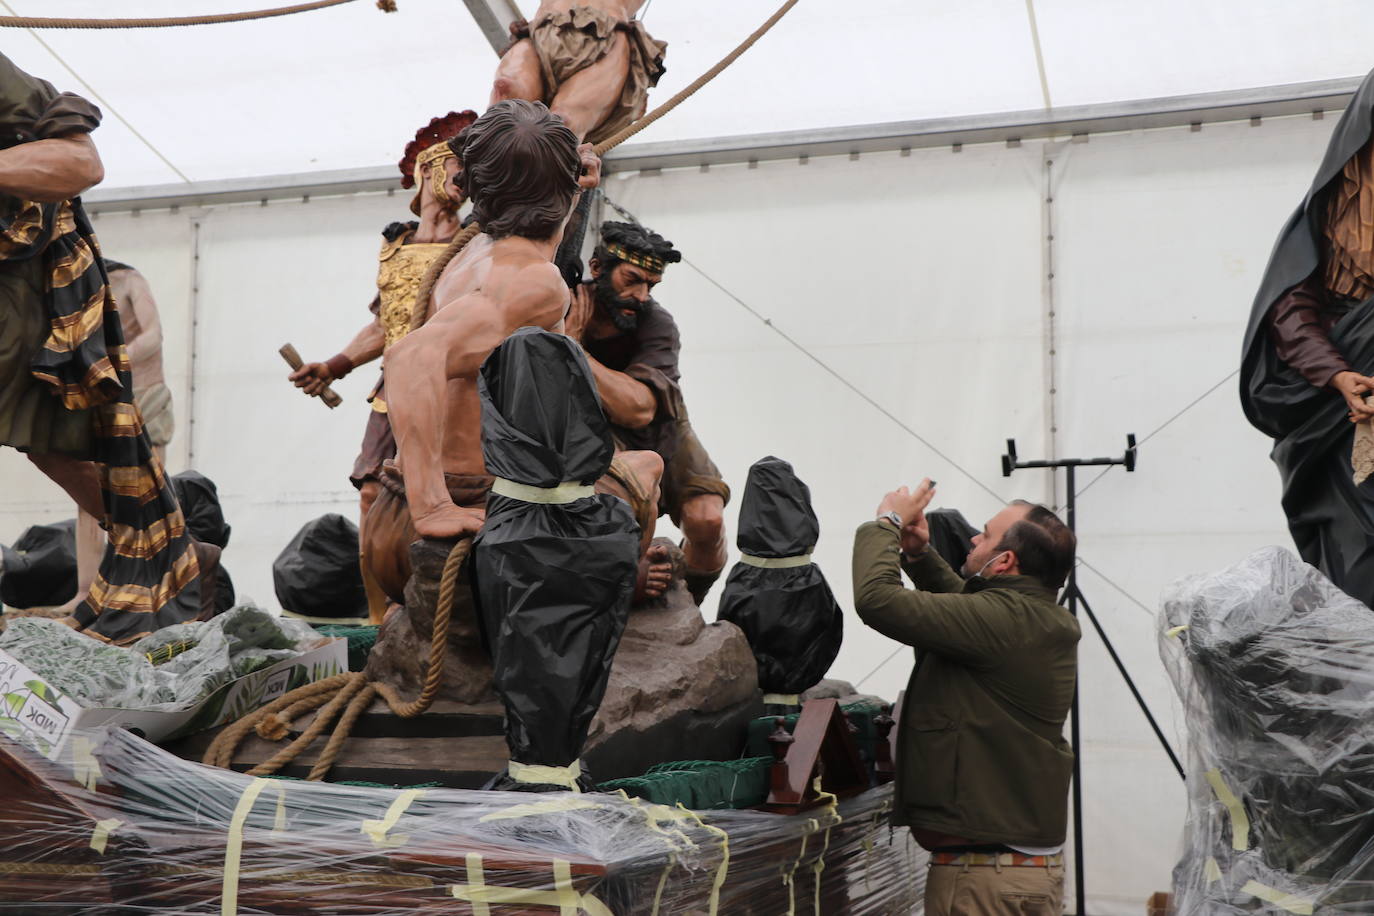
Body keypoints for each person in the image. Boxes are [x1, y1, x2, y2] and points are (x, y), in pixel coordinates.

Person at [0, 52, 204, 641]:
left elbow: (78, 159)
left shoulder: (127, 277)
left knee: (71, 443)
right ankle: (173, 554)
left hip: (33, 299)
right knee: (57, 449)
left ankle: (167, 559)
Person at [852, 479, 1079, 916]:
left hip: (984, 880)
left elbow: (877, 599)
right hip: (1006, 872)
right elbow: (965, 605)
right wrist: (918, 554)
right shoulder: (1031, 617)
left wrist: (887, 522)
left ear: (1005, 560)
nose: (975, 537)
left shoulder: (1005, 621)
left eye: (987, 534)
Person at [289, 111, 475, 622]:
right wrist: (335, 365)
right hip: (393, 386)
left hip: (451, 387)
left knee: (436, 497)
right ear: (426, 172)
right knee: (372, 493)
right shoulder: (396, 247)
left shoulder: (478, 244)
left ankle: (438, 612)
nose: (462, 181)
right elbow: (385, 322)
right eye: (454, 168)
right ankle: (380, 621)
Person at [1241, 66, 1374, 608]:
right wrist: (1337, 374)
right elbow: (1291, 306)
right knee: (1356, 555)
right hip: (1341, 411)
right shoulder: (1328, 212)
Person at [565, 220, 730, 604]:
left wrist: (575, 349)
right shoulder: (563, 304)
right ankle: (628, 585)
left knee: (708, 519)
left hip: (664, 426)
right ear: (597, 268)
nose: (641, 295)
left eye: (651, 286)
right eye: (632, 279)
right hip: (594, 430)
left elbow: (639, 410)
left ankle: (686, 606)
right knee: (630, 506)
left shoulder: (657, 325)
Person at [490, 0, 666, 143]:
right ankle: (480, 169)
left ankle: (551, 175)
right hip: (545, 28)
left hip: (607, 37)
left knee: (563, 122)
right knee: (506, 90)